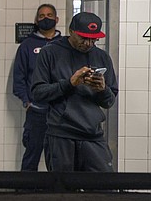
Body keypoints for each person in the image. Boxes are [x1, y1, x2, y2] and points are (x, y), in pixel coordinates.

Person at [31, 11, 118, 172]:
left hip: (93, 134)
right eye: (83, 38)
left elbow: (109, 101)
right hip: (61, 134)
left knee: (105, 189)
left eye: (93, 39)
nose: (88, 43)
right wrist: (70, 84)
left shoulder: (102, 57)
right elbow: (38, 93)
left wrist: (102, 90)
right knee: (63, 192)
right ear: (71, 31)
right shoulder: (50, 53)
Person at [12, 3, 64, 171]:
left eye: (49, 15)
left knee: (60, 157)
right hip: (36, 112)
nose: (45, 18)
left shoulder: (65, 45)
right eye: (41, 16)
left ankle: (60, 193)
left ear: (57, 19)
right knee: (32, 155)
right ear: (36, 20)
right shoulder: (27, 46)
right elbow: (18, 79)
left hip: (61, 113)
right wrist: (27, 102)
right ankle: (25, 192)